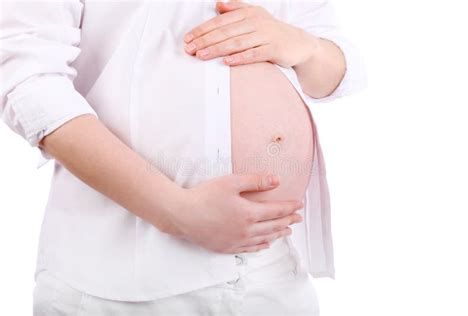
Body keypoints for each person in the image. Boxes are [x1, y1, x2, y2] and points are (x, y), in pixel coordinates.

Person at [0, 0, 366, 314]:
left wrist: (306, 47)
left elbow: (334, 71)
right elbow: (28, 82)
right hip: (118, 281)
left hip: (271, 272)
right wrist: (174, 211)